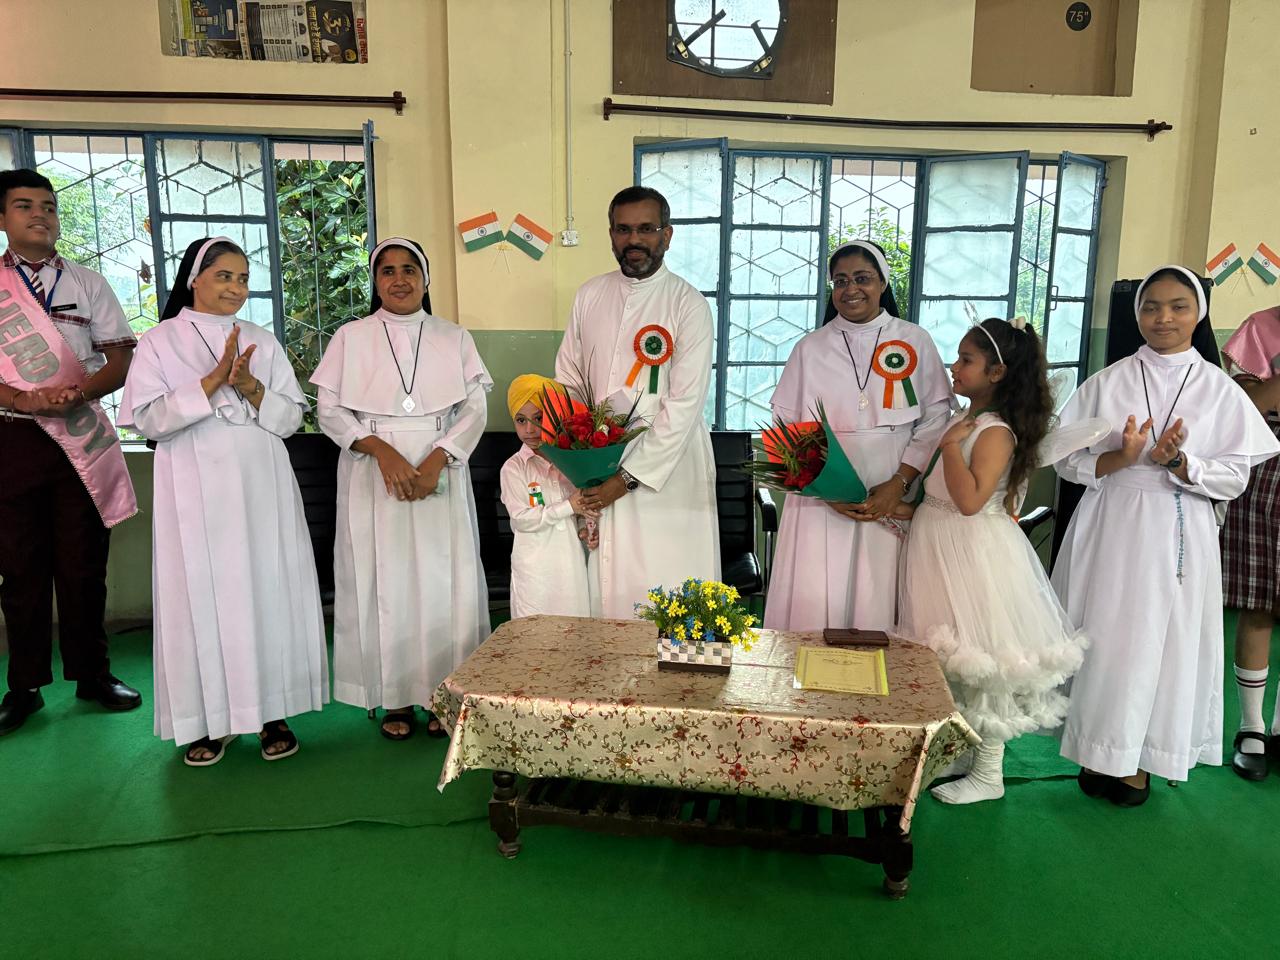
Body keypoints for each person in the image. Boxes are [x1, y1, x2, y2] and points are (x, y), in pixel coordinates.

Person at [1052, 265, 1280, 805]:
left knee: (1160, 642)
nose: (1163, 318)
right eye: (1151, 306)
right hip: (1110, 524)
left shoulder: (1219, 389)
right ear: (1137, 314)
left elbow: (1234, 478)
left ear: (1198, 314)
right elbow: (1064, 460)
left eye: (1179, 306)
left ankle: (1139, 761)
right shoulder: (1107, 382)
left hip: (1176, 528)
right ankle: (1096, 749)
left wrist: (1180, 462)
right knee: (1103, 635)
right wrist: (1120, 457)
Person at [118, 237, 328, 765]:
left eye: (243, 278)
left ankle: (272, 712)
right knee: (202, 595)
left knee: (265, 589)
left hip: (261, 485)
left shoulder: (262, 340)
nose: (236, 287)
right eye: (224, 276)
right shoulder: (160, 341)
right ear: (194, 278)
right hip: (194, 487)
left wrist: (251, 386)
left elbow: (289, 419)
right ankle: (208, 719)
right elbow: (147, 419)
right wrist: (212, 381)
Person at [897, 318, 1087, 804]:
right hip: (939, 544)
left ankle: (989, 772)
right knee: (953, 658)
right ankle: (965, 749)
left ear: (997, 372)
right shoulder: (969, 419)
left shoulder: (995, 430)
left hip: (973, 550)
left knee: (985, 658)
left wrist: (948, 448)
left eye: (967, 360)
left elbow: (969, 500)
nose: (954, 367)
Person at [313, 237, 492, 740]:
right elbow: (330, 409)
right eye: (387, 270)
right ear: (375, 281)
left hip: (441, 466)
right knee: (384, 580)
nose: (398, 279)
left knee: (443, 583)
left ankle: (444, 694)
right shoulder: (350, 337)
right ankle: (393, 696)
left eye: (409, 269)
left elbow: (474, 408)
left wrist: (438, 460)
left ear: (425, 278)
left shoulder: (454, 337)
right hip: (372, 472)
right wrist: (381, 452)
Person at [0, 168, 141, 736]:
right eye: (25, 205)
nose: (41, 215)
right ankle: (24, 686)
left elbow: (120, 357)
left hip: (81, 434)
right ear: (3, 218)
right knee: (19, 569)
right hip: (12, 439)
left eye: (49, 206)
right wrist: (22, 397)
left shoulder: (88, 282)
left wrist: (76, 394)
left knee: (84, 565)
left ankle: (93, 674)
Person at [764, 240, 953, 632]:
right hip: (821, 497)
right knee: (818, 595)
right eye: (840, 281)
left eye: (862, 278)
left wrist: (899, 482)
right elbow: (785, 427)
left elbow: (936, 418)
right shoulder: (809, 348)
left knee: (877, 592)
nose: (850, 289)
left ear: (883, 283)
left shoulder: (914, 340)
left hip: (890, 483)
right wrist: (825, 490)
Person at [558, 186, 719, 618]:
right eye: (623, 229)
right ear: (611, 234)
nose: (634, 240)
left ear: (667, 234)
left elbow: (684, 404)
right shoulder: (589, 294)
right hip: (599, 458)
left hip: (667, 466)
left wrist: (627, 479)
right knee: (608, 586)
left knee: (668, 583)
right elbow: (568, 381)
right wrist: (581, 457)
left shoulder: (688, 304)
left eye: (646, 229)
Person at [1219, 304, 1280, 779]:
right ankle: (1252, 728)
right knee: (1259, 603)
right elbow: (1244, 407)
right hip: (1267, 467)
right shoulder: (1260, 327)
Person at [500, 374, 596, 618]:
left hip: (570, 567)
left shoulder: (570, 462)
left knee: (574, 631)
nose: (530, 429)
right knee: (534, 635)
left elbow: (579, 507)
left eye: (539, 418)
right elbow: (521, 519)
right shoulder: (513, 468)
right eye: (521, 420)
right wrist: (568, 507)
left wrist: (584, 528)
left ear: (556, 417)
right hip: (535, 574)